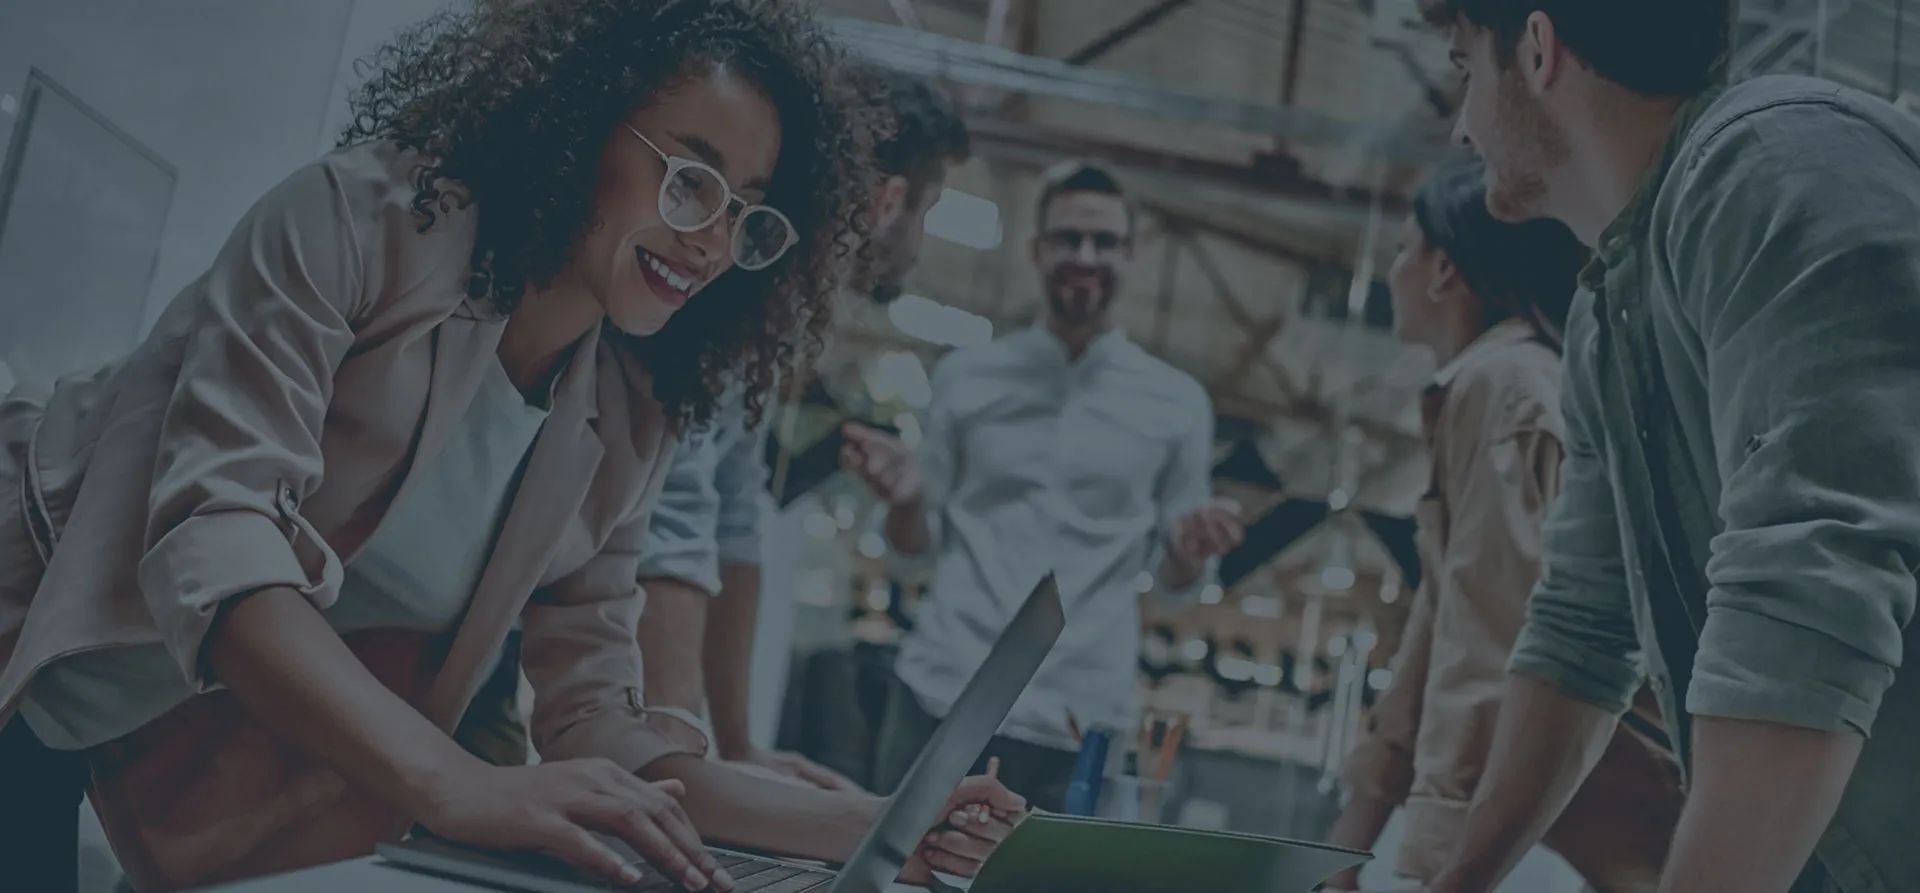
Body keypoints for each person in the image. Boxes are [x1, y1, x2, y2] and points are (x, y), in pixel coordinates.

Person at [0, 3, 1023, 891]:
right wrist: (459, 782)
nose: (712, 242)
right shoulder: (355, 225)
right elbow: (218, 548)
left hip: (132, 732)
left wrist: (885, 820)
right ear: (579, 127)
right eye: (691, 182)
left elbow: (598, 724)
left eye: (748, 215)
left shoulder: (627, 412)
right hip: (22, 643)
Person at [1405, 2, 1920, 892]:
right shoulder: (1612, 312)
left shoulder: (1777, 166)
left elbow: (1808, 596)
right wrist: (1456, 882)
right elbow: (1579, 630)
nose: (1461, 126)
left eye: (1463, 70)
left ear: (1537, 50)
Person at [1319, 157, 1682, 893]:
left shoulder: (1503, 385)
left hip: (1551, 826)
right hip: (1557, 820)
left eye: (1400, 250)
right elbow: (1440, 624)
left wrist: (1441, 861)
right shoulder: (1498, 383)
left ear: (1443, 268)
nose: (1392, 270)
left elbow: (1494, 643)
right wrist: (1349, 842)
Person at [843, 160, 1246, 812]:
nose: (1085, 256)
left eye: (1105, 241)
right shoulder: (968, 377)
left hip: (1082, 715)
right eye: (1067, 238)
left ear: (1132, 254)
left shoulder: (1178, 404)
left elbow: (1177, 587)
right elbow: (912, 550)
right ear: (1036, 249)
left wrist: (1190, 549)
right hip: (945, 690)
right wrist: (909, 501)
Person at [628, 67, 972, 792]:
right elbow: (678, 516)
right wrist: (682, 765)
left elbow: (733, 514)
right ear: (889, 201)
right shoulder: (739, 277)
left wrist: (738, 744)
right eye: (928, 211)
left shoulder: (781, 310)